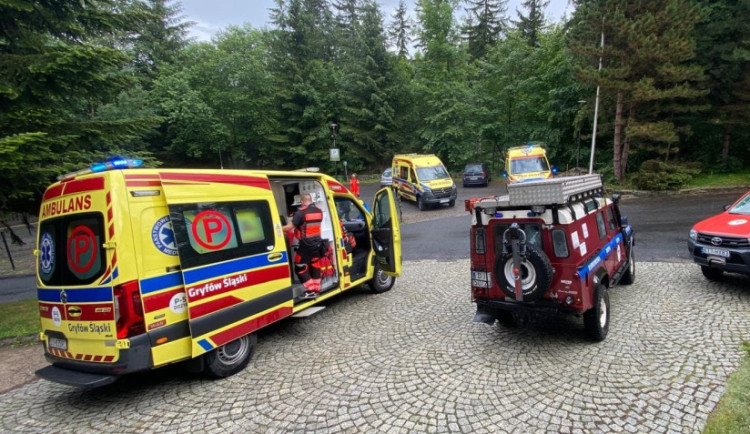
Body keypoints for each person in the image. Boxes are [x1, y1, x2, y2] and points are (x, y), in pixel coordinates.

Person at [282, 193, 324, 299]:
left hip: (306, 246)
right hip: (317, 244)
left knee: (299, 267)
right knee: (315, 265)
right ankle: (317, 289)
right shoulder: (319, 211)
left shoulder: (301, 213)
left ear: (302, 202)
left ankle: (310, 290)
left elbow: (288, 228)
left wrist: (276, 228)